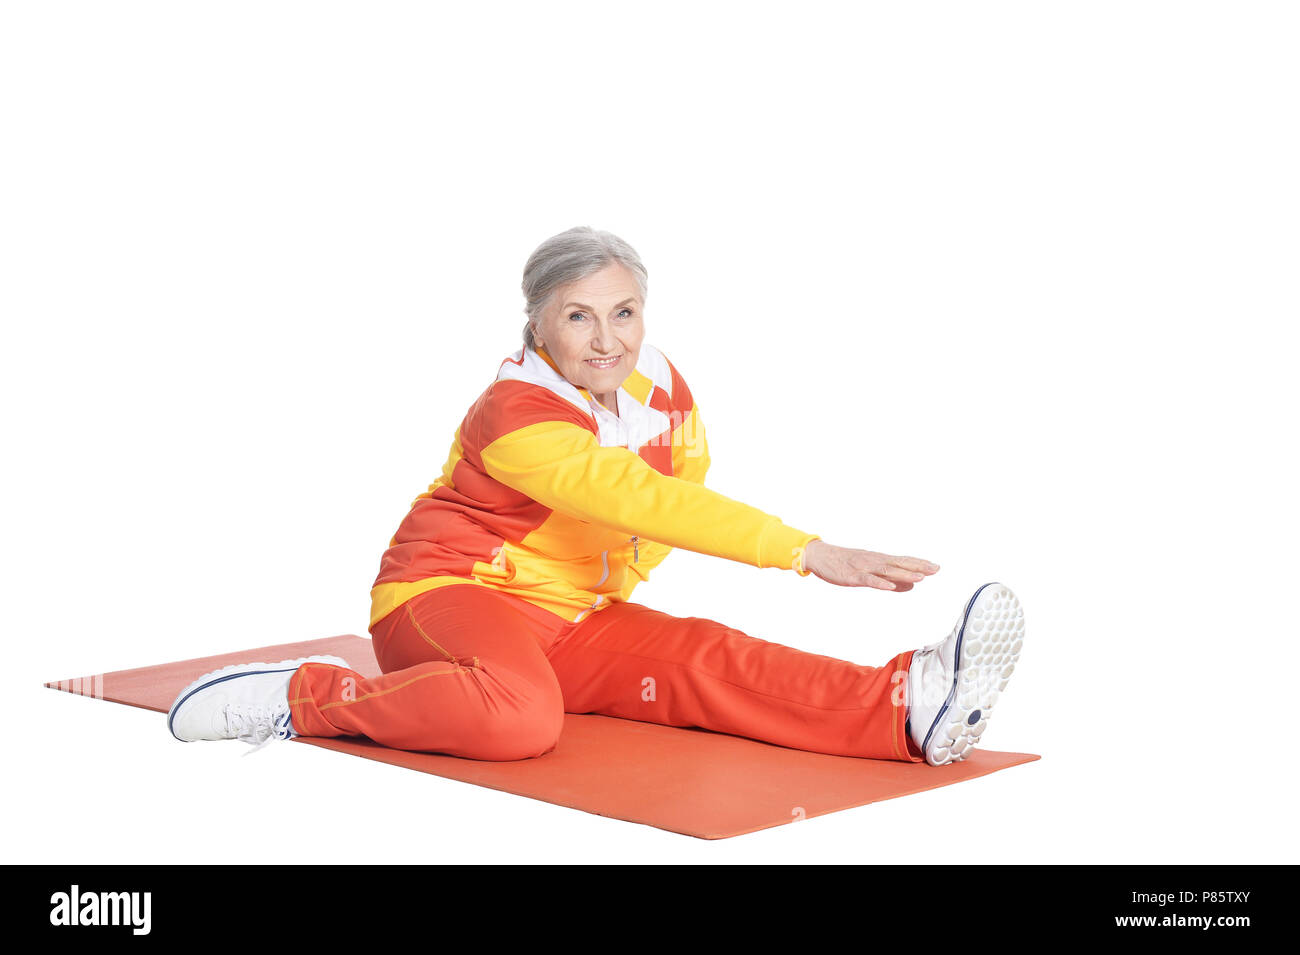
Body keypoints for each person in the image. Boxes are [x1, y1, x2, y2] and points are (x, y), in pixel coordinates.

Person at [167, 226, 1025, 767]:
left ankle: (908, 705)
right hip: (448, 593)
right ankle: (301, 696)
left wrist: (619, 575)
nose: (606, 339)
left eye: (624, 312)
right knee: (521, 720)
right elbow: (634, 498)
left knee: (704, 656)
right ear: (538, 322)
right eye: (579, 317)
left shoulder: (658, 383)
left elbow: (683, 475)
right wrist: (807, 551)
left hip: (570, 612)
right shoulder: (516, 411)